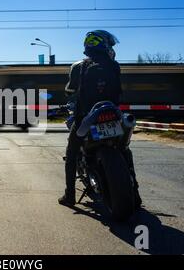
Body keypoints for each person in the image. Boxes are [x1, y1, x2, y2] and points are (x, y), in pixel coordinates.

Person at [59, 30, 142, 208]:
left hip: (86, 117)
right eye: (110, 45)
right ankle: (135, 193)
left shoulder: (78, 67)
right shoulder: (114, 65)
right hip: (113, 113)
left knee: (71, 153)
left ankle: (70, 195)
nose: (112, 49)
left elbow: (70, 91)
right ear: (103, 45)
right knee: (124, 150)